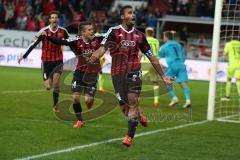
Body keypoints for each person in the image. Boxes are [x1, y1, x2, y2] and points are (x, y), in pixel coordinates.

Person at [89, 5, 172, 146]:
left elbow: (151, 57)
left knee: (133, 102)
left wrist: (163, 76)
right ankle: (138, 116)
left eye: (134, 13)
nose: (133, 15)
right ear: (122, 16)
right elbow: (102, 49)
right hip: (117, 75)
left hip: (134, 72)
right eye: (129, 13)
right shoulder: (114, 32)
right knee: (124, 107)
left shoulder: (140, 36)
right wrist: (93, 58)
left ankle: (129, 137)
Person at [43, 21, 103, 128]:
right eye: (89, 30)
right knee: (75, 98)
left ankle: (90, 101)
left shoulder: (98, 39)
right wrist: (47, 37)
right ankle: (80, 120)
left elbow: (112, 38)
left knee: (88, 100)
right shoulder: (76, 41)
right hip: (79, 73)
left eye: (92, 29)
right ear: (83, 32)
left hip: (92, 74)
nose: (92, 31)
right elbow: (60, 42)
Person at [18, 11, 69, 112]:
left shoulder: (63, 31)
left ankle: (55, 105)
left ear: (58, 19)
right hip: (46, 60)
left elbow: (70, 42)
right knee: (48, 86)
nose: (54, 19)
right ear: (50, 20)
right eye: (52, 18)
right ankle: (46, 78)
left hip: (58, 59)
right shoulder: (43, 31)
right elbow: (33, 44)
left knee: (56, 84)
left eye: (56, 17)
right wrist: (23, 56)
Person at [159, 31, 191, 108]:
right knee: (183, 83)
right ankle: (188, 100)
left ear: (166, 37)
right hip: (181, 65)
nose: (163, 38)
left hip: (172, 65)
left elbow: (159, 55)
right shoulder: (179, 45)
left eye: (163, 36)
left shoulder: (165, 46)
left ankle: (174, 98)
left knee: (166, 81)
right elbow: (183, 56)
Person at [142, 27, 160, 107]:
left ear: (146, 33)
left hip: (146, 62)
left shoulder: (144, 40)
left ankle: (135, 98)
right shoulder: (156, 41)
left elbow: (140, 52)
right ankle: (156, 101)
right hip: (155, 62)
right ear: (153, 33)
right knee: (155, 82)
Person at [221, 36, 240, 101]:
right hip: (239, 64)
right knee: (238, 80)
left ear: (231, 38)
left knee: (229, 79)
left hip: (232, 64)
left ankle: (227, 96)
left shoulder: (228, 44)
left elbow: (225, 53)